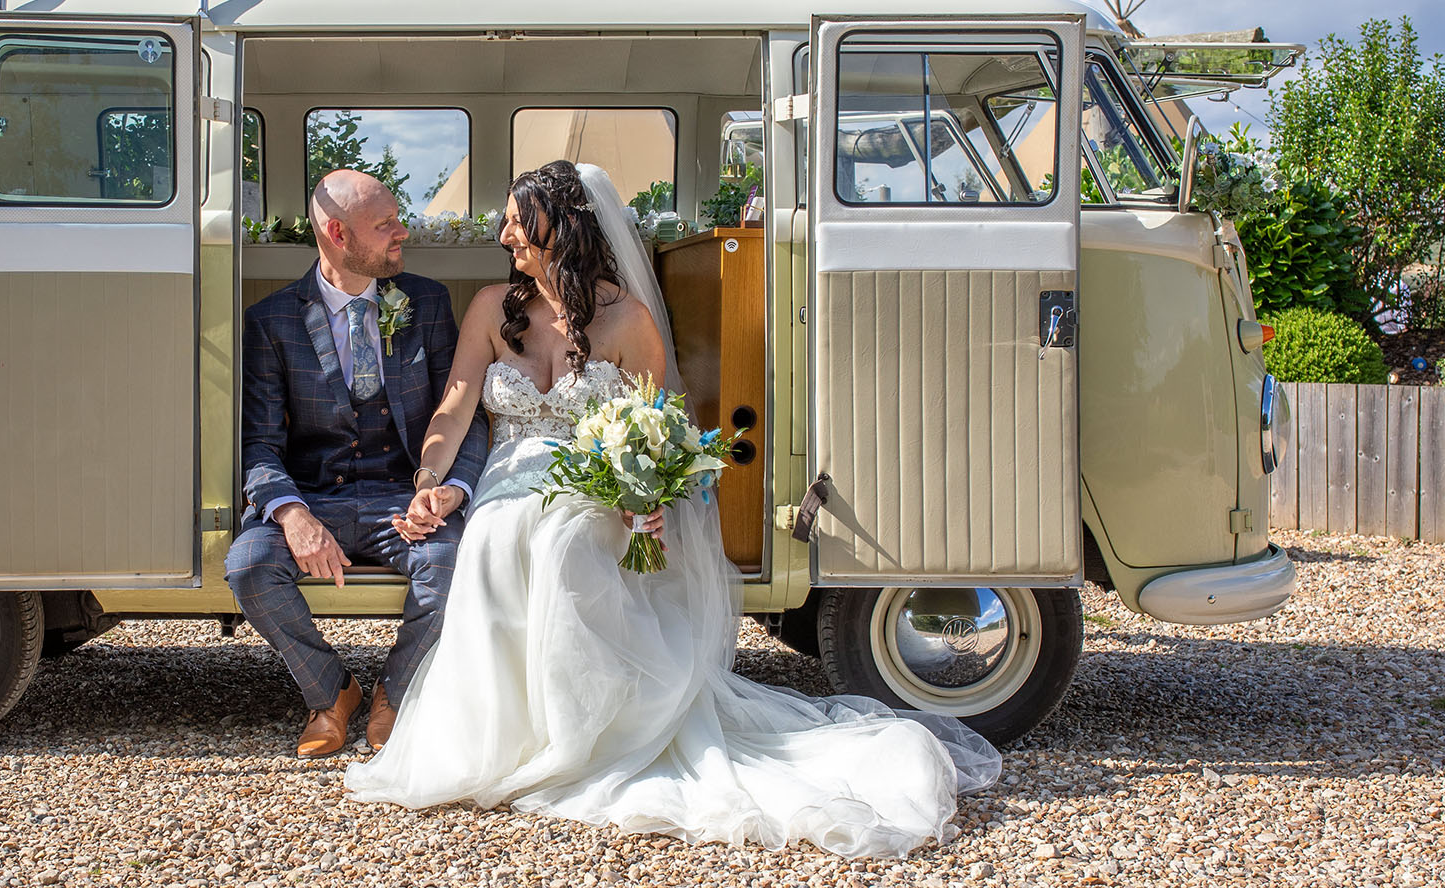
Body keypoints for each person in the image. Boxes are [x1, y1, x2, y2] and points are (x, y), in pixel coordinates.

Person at [344, 161, 1002, 858]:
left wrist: (644, 501)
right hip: (509, 478)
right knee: (496, 537)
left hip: (590, 483)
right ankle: (504, 734)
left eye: (517, 218)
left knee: (564, 540)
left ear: (560, 227)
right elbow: (455, 405)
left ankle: (580, 735)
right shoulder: (489, 308)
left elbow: (656, 429)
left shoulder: (627, 319)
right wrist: (429, 478)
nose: (504, 231)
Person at [229, 169, 490, 759]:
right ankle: (331, 692)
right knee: (248, 567)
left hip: (405, 492)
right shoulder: (271, 320)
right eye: (385, 226)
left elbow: (467, 413)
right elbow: (260, 442)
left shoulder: (426, 302)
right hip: (314, 493)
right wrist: (292, 513)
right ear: (337, 234)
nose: (404, 233)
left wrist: (450, 489)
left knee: (450, 564)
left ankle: (394, 695)